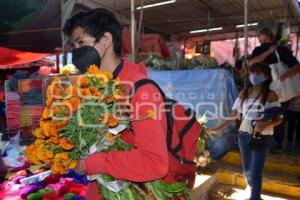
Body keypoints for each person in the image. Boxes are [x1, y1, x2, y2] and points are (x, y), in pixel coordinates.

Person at [63, 8, 184, 199]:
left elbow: (154, 163)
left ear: (106, 40)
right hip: (104, 188)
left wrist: (91, 164)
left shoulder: (141, 91)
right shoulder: (94, 87)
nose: (77, 52)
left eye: (81, 43)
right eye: (74, 46)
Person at [206, 63, 283, 200]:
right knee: (247, 168)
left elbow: (280, 118)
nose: (254, 76)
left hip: (261, 137)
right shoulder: (245, 93)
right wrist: (217, 128)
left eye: (258, 73)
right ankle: (251, 186)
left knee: (256, 170)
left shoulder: (271, 95)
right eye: (252, 73)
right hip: (243, 135)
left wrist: (267, 124)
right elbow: (234, 113)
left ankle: (255, 197)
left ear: (266, 76)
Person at [249, 28, 300, 152]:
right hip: (264, 87)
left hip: (280, 88)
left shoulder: (281, 50)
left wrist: (287, 74)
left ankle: (276, 143)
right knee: (263, 113)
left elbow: (297, 65)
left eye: (265, 40)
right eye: (261, 41)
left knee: (277, 115)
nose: (263, 43)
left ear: (271, 38)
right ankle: (262, 139)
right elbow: (251, 63)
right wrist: (268, 52)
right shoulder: (259, 50)